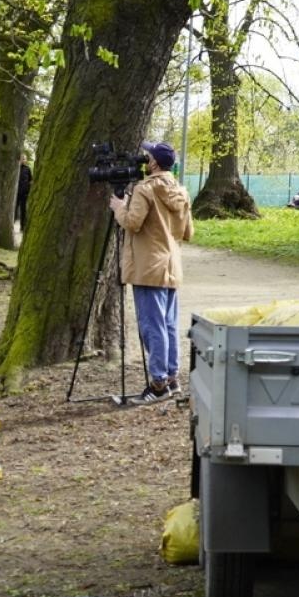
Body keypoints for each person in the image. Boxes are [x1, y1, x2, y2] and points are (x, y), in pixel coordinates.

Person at [108, 140, 194, 403]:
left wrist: (118, 207)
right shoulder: (180, 190)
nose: (144, 159)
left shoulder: (145, 189)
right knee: (168, 324)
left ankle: (158, 384)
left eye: (147, 156)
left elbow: (132, 223)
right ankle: (171, 378)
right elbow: (188, 232)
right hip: (170, 265)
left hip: (148, 267)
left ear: (155, 163)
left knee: (152, 326)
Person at [15, 157, 33, 237]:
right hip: (16, 193)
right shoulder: (16, 168)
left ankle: (22, 227)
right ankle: (12, 224)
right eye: (22, 158)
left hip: (24, 193)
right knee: (14, 209)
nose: (23, 160)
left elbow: (30, 181)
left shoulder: (27, 169)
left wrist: (29, 190)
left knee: (23, 210)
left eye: (24, 159)